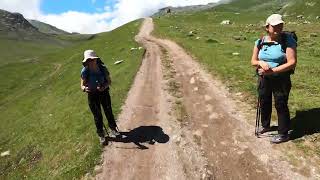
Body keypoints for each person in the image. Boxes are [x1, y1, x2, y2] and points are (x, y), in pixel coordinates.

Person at [251, 14, 297, 143]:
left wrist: (271, 71)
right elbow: (253, 61)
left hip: (281, 78)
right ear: (267, 27)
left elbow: (292, 62)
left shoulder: (288, 40)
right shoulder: (260, 41)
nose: (278, 27)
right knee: (264, 101)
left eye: (280, 25)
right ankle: (265, 126)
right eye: (275, 25)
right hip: (264, 78)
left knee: (280, 104)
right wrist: (260, 63)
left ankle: (283, 134)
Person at [80, 49, 120, 145]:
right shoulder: (85, 70)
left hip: (104, 93)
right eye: (88, 60)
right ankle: (101, 134)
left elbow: (109, 81)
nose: (91, 61)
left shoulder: (102, 68)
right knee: (97, 115)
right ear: (86, 61)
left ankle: (113, 129)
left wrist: (103, 87)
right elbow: (82, 86)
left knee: (108, 110)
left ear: (96, 59)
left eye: (92, 59)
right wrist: (85, 89)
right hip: (92, 95)